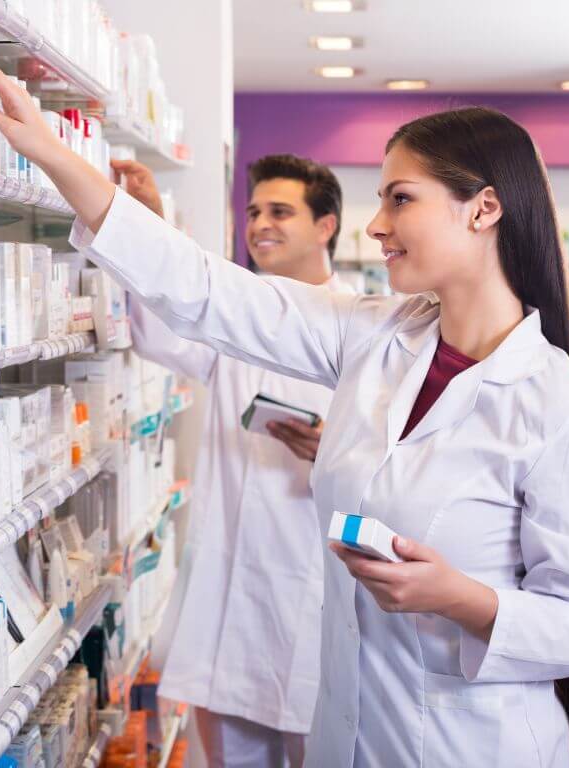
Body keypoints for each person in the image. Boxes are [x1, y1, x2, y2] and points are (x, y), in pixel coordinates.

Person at [0, 47, 569, 768]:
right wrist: (53, 153)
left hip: (478, 746)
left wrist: (463, 599)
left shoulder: (566, 413)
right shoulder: (373, 336)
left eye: (401, 198)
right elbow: (207, 289)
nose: (376, 225)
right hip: (350, 732)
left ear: (483, 208)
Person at [111, 154, 351, 768]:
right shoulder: (241, 315)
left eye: (279, 211)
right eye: (252, 212)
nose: (259, 225)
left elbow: (410, 467)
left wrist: (342, 450)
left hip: (311, 590)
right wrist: (150, 222)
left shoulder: (362, 330)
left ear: (326, 226)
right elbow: (163, 332)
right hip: (231, 588)